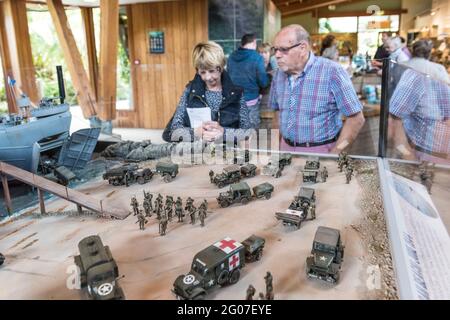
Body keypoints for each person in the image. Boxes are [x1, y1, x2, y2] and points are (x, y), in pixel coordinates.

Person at [269, 25, 365, 154]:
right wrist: (275, 149)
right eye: (275, 50)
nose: (277, 55)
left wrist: (335, 154)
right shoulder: (278, 74)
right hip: (285, 149)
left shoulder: (332, 72)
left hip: (321, 152)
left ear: (302, 48)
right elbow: (277, 114)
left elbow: (356, 119)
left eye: (283, 49)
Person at [163, 41, 251, 143]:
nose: (208, 77)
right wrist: (195, 133)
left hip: (227, 155)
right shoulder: (190, 92)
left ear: (221, 67)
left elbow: (247, 132)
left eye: (212, 71)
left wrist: (224, 133)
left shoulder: (236, 94)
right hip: (197, 155)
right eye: (203, 72)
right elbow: (172, 132)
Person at [388, 43, 450, 165]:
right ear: (429, 53)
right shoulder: (439, 68)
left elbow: (396, 113)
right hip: (437, 141)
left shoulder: (403, 67)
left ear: (412, 52)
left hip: (416, 135)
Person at [227, 34, 270, 129]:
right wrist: (269, 78)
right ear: (254, 42)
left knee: (237, 130)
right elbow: (263, 82)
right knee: (252, 131)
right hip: (251, 101)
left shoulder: (231, 56)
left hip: (234, 100)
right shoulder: (257, 57)